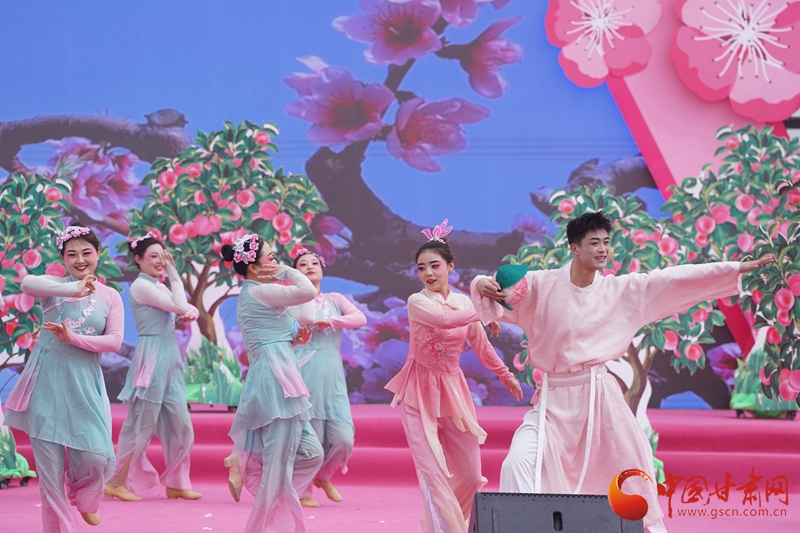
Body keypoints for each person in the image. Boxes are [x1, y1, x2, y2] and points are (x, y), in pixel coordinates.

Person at [470, 211, 773, 533]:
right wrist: (480, 283)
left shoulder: (621, 290)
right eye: (594, 243)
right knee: (517, 462)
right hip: (551, 405)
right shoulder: (541, 284)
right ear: (574, 248)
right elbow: (492, 292)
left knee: (628, 473)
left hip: (599, 400)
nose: (603, 249)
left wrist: (734, 270)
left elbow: (675, 279)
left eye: (606, 242)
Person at [385, 219, 523, 533]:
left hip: (454, 391)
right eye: (421, 268)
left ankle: (449, 524)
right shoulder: (417, 301)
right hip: (419, 393)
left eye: (435, 265)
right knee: (433, 473)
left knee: (471, 476)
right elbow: (446, 321)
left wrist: (506, 375)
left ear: (450, 266)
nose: (428, 273)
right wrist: (486, 307)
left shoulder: (463, 302)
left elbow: (481, 345)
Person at [5, 226, 124, 531]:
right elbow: (27, 283)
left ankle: (83, 495)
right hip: (46, 384)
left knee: (97, 458)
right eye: (72, 254)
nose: (80, 259)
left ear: (98, 254)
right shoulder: (55, 287)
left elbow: (114, 342)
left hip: (84, 387)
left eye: (86, 252)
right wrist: (73, 289)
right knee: (50, 480)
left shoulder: (110, 296)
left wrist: (73, 338)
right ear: (63, 259)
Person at [220, 234, 323, 533]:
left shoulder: (261, 292)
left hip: (281, 373)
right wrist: (286, 271)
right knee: (277, 467)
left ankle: (246, 465)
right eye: (271, 257)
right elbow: (307, 291)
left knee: (311, 453)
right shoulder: (261, 291)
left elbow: (292, 322)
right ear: (254, 268)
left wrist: (296, 336)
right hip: (274, 379)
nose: (276, 262)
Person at [104, 231, 201, 502]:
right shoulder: (141, 286)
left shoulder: (157, 286)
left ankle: (178, 482)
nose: (161, 261)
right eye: (154, 256)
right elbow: (179, 304)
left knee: (181, 424)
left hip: (170, 356)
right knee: (141, 424)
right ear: (138, 259)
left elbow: (184, 308)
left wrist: (190, 311)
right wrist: (174, 273)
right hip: (152, 356)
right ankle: (116, 482)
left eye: (163, 256)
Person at [289, 249, 367, 507]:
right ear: (294, 272)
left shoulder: (335, 299)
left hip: (332, 372)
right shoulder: (290, 302)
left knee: (344, 437)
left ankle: (324, 476)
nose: (310, 266)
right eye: (303, 264)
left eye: (315, 262)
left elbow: (360, 318)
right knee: (309, 435)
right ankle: (303, 489)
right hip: (304, 368)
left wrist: (330, 322)